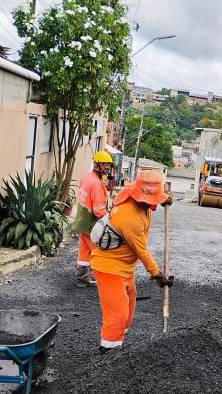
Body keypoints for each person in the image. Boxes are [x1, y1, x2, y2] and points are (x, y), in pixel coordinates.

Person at [90, 169, 173, 352]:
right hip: (109, 267)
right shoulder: (130, 218)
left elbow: (152, 194)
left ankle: (120, 340)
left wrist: (165, 198)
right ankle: (108, 350)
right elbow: (142, 251)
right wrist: (158, 275)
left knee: (129, 303)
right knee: (117, 313)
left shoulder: (134, 194)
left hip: (125, 267)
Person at [73, 150, 114, 287]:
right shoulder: (97, 184)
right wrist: (110, 221)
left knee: (84, 251)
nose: (107, 168)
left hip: (82, 221)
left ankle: (82, 279)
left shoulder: (86, 178)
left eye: (108, 165)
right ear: (97, 164)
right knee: (99, 252)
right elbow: (99, 210)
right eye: (104, 164)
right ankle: (104, 280)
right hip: (92, 224)